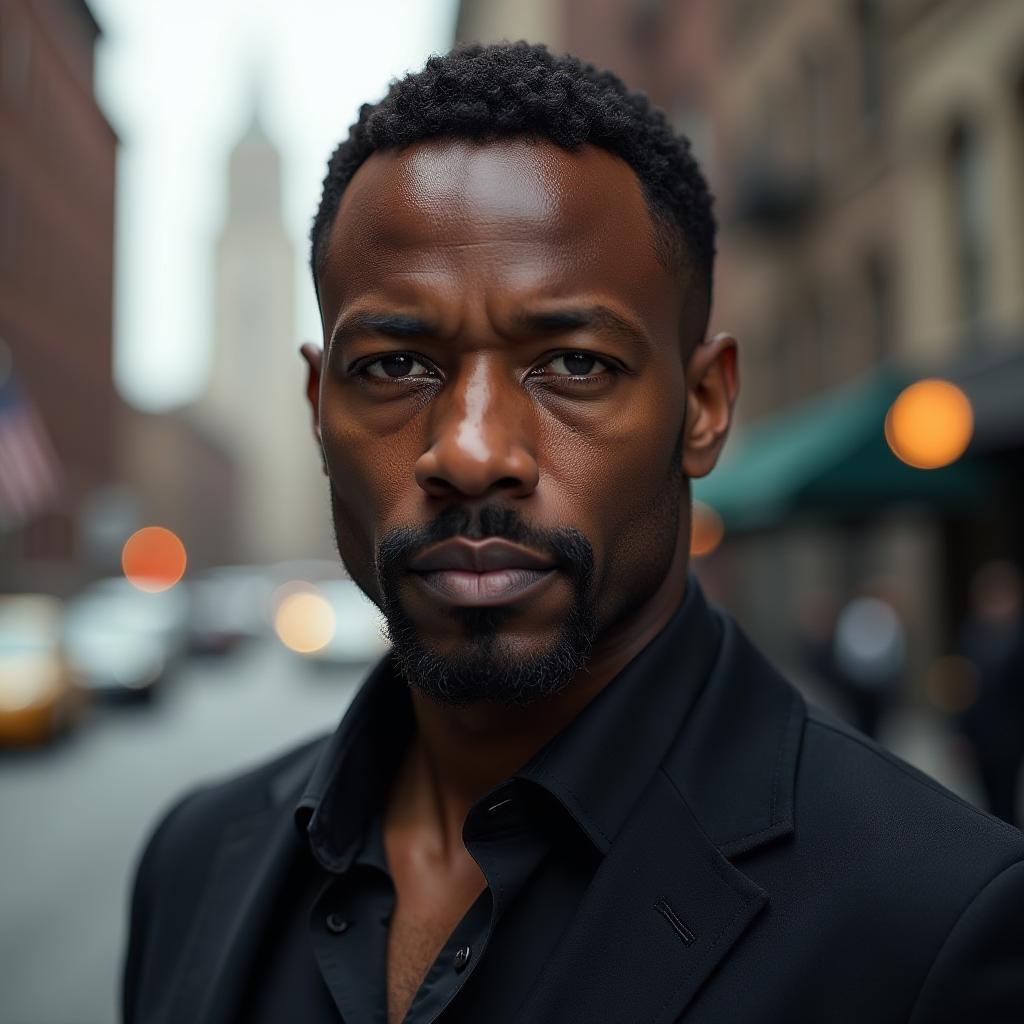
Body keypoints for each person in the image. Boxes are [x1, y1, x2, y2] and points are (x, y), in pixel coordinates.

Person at [122, 43, 1024, 1024]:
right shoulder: (190, 862)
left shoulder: (938, 923)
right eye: (393, 367)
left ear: (705, 406)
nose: (469, 452)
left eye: (574, 366)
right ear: (316, 407)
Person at [957, 561, 1024, 826]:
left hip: (1011, 735)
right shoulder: (973, 633)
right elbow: (963, 685)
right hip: (980, 733)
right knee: (988, 805)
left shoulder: (1017, 636)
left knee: (1006, 801)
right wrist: (960, 732)